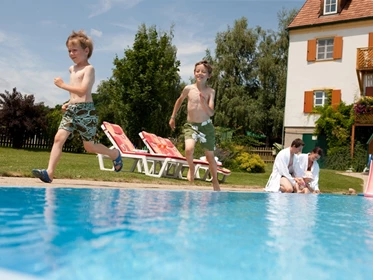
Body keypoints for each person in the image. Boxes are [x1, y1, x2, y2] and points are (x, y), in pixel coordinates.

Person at [32, 30, 122, 183]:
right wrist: (69, 102)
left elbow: (83, 90)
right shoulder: (72, 69)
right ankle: (49, 173)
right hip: (72, 110)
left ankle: (114, 154)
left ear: (86, 51)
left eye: (75, 50)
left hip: (86, 111)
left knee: (89, 147)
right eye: (69, 51)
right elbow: (75, 92)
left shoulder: (89, 69)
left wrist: (62, 85)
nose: (71, 54)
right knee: (58, 138)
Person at [169, 60, 220, 191]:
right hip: (191, 125)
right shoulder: (188, 89)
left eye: (203, 71)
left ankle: (215, 181)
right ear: (194, 73)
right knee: (188, 149)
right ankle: (191, 168)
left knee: (210, 156)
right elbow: (179, 101)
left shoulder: (210, 92)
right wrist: (173, 117)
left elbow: (211, 113)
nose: (200, 73)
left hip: (206, 127)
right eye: (197, 71)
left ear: (209, 75)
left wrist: (204, 103)